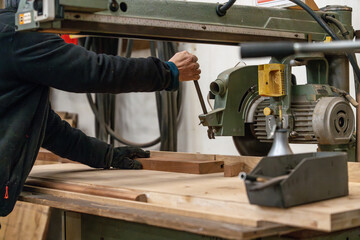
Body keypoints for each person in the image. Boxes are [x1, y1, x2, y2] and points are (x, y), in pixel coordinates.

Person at [0, 0, 201, 216]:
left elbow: (47, 129)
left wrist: (106, 155)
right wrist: (167, 72)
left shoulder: (9, 32)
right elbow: (94, 71)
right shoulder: (17, 34)